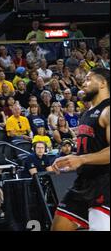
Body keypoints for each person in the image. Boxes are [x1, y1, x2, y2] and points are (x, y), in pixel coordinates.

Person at [51, 68, 110, 231]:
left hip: (106, 182)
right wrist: (70, 157)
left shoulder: (108, 110)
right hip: (84, 182)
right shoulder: (86, 113)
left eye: (89, 79)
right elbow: (92, 149)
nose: (84, 83)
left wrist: (82, 159)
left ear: (103, 83)